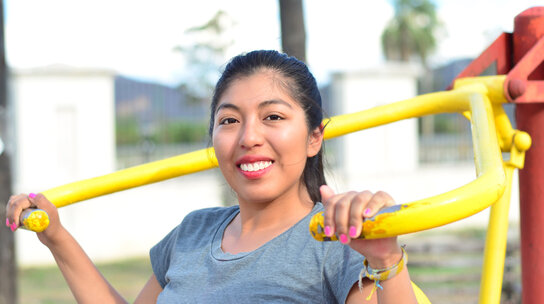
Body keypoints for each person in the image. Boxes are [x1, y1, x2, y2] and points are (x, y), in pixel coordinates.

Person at [6, 50, 419, 303]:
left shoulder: (340, 240)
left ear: (314, 137)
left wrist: (384, 258)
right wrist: (56, 236)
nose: (249, 137)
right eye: (229, 120)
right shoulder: (192, 232)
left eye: (272, 117)